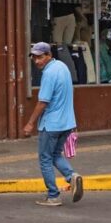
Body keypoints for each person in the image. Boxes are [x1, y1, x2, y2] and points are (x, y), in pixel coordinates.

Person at [24, 42, 83, 207]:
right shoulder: (62, 67)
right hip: (67, 123)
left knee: (45, 158)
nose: (36, 61)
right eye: (34, 58)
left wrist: (30, 123)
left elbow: (43, 102)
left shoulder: (49, 73)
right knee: (56, 155)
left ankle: (53, 195)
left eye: (40, 57)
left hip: (51, 124)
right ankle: (72, 176)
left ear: (48, 55)